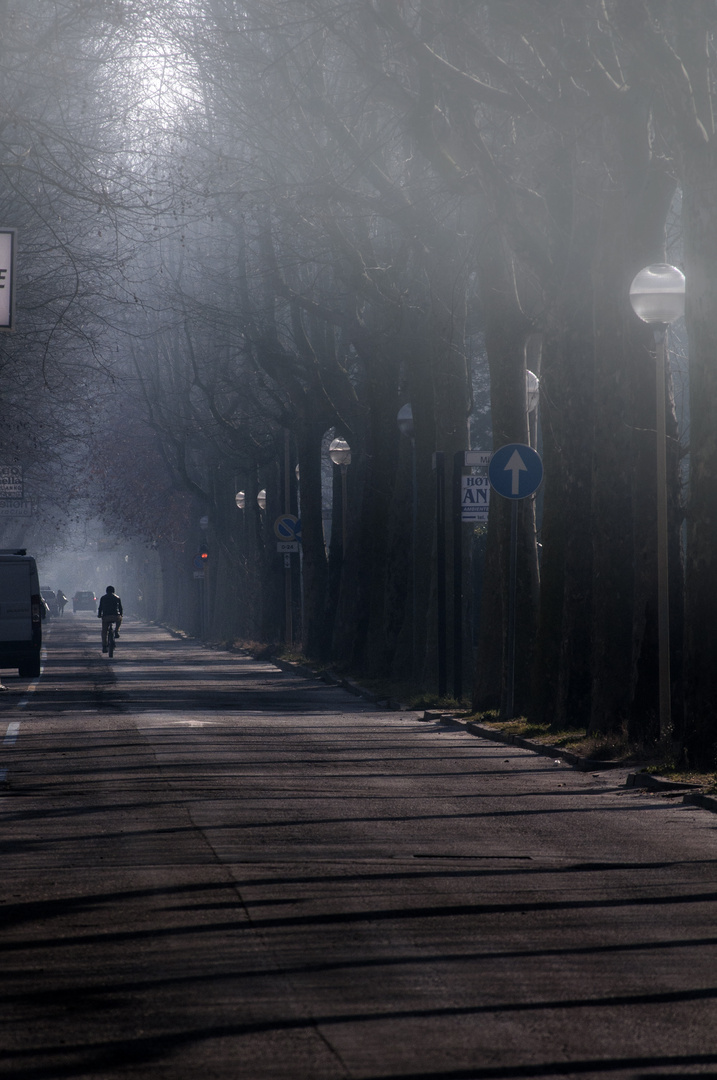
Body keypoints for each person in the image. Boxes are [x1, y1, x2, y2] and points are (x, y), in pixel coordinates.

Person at [98, 585, 123, 652]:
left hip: (106, 617)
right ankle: (117, 630)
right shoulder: (117, 598)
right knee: (120, 619)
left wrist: (99, 615)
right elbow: (120, 608)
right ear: (113, 591)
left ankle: (104, 646)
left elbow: (100, 608)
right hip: (115, 616)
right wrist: (121, 614)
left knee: (104, 631)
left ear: (106, 591)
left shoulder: (103, 598)